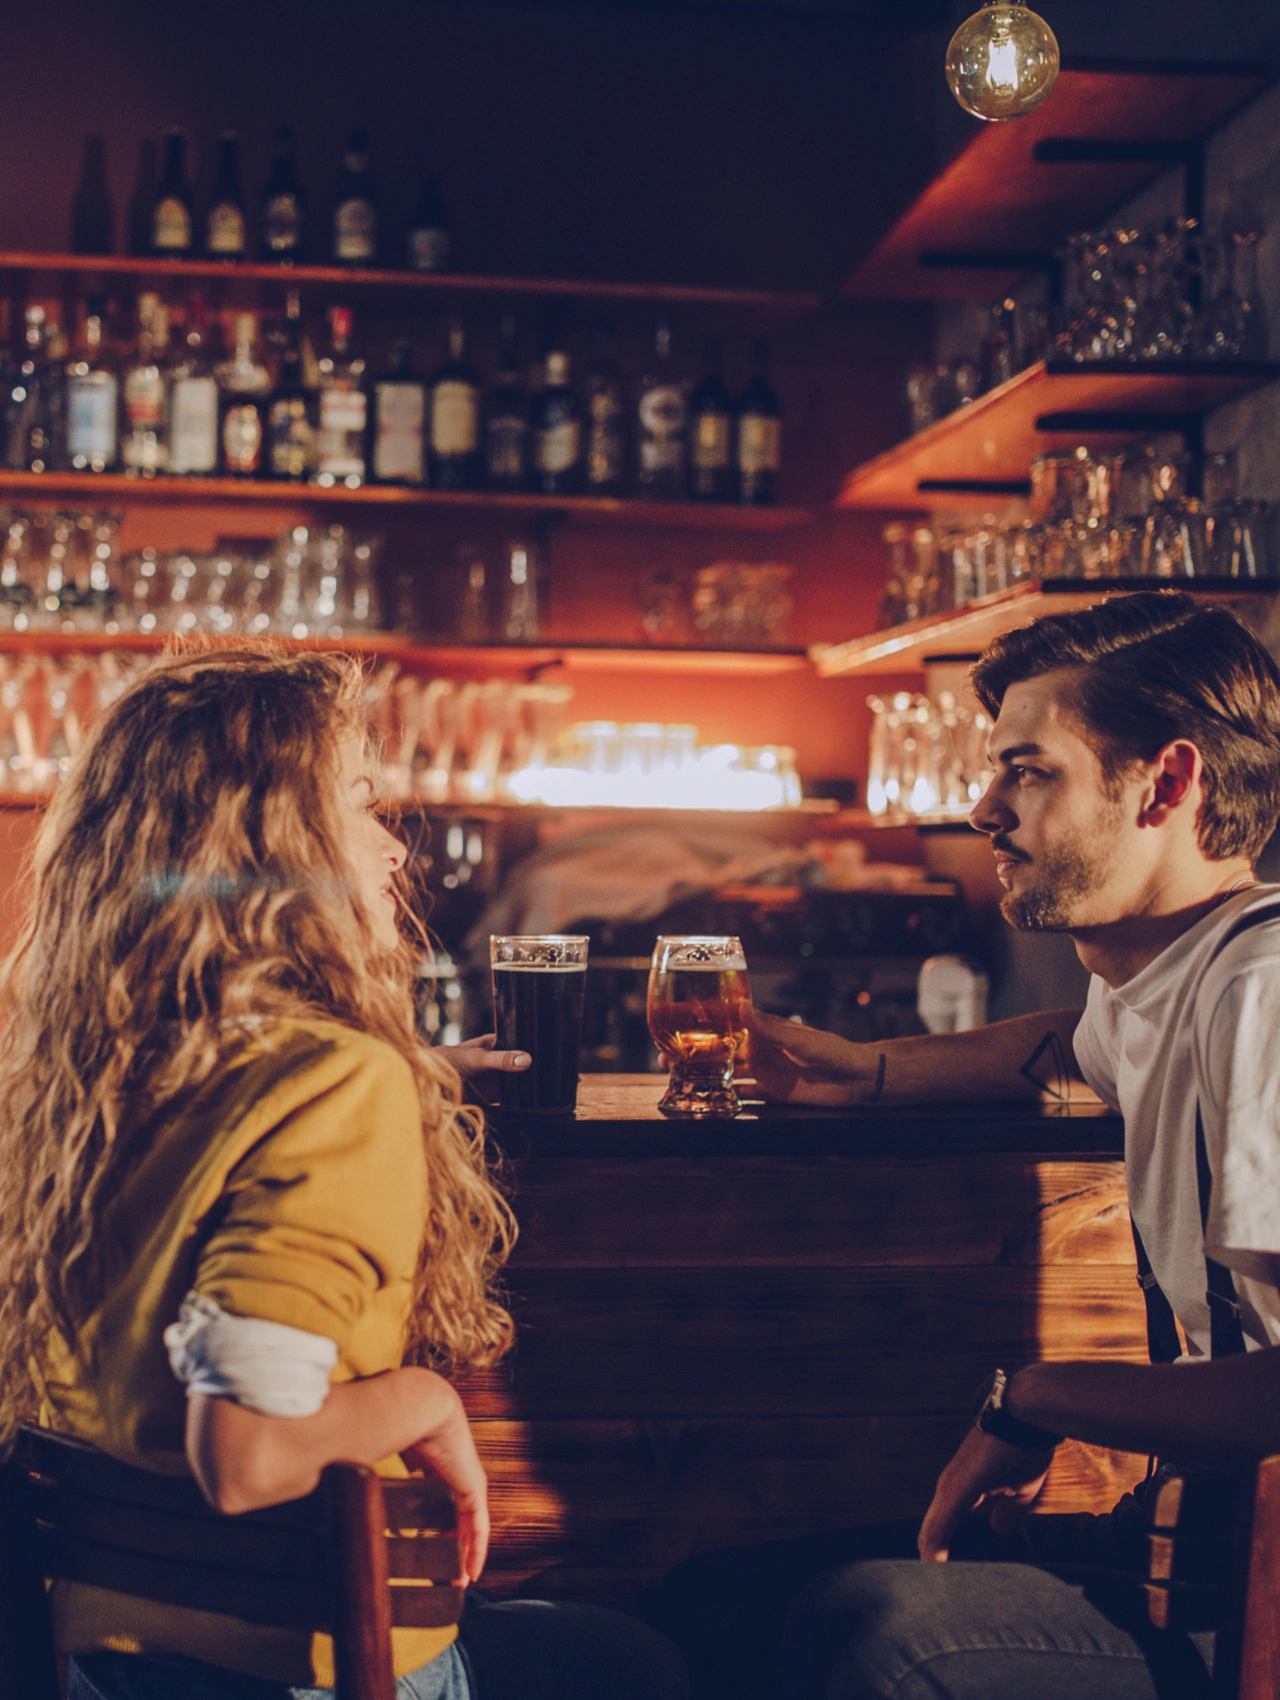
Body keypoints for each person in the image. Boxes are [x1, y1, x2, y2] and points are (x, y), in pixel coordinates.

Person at [0, 648, 688, 1700]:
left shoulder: (72, 1070)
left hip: (105, 1661)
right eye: (360, 805)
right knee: (640, 1658)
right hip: (293, 1662)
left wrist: (402, 1084)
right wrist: (424, 1400)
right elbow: (246, 1454)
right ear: (279, 846)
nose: (390, 849)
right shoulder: (332, 1085)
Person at [653, 591, 1280, 1700]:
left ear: (1166, 783)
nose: (981, 808)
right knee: (702, 1600)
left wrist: (1030, 1395)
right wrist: (867, 1069)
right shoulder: (1171, 975)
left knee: (870, 1625)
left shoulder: (1260, 995)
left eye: (1026, 770)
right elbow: (1062, 1046)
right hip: (1185, 1555)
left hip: (1245, 1611)